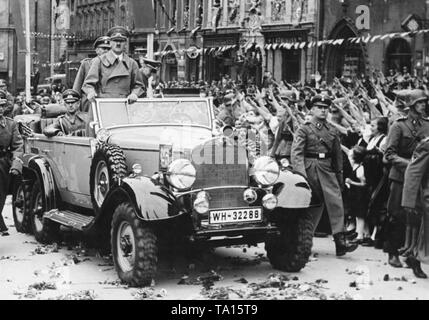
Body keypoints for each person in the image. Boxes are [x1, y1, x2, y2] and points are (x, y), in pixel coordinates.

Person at [291, 94, 358, 256]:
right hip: (310, 168)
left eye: (325, 108)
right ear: (312, 109)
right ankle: (303, 240)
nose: (322, 111)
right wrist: (301, 176)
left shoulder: (332, 130)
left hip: (327, 169)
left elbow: (337, 156)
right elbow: (297, 154)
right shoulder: (304, 128)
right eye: (319, 108)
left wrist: (339, 177)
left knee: (336, 203)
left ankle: (340, 242)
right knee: (311, 205)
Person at [384, 89, 429, 268]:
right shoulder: (398, 125)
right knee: (396, 214)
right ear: (411, 105)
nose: (423, 105)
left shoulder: (427, 125)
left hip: (422, 178)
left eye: (425, 102)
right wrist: (411, 165)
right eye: (419, 102)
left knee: (418, 216)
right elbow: (389, 154)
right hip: (400, 177)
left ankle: (412, 254)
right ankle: (392, 251)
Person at [82, 26, 143, 103]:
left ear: (125, 43)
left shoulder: (132, 63)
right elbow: (88, 84)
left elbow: (139, 85)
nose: (118, 44)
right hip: (103, 105)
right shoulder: (99, 61)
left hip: (124, 105)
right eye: (115, 40)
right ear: (110, 42)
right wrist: (91, 92)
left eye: (121, 41)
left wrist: (134, 94)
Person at [402, 137, 429, 278]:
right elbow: (413, 171)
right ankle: (415, 257)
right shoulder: (427, 145)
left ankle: (415, 257)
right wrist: (409, 201)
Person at [0, 90, 23, 236]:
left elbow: (18, 146)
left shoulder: (11, 124)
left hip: (2, 165)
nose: (0, 109)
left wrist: (16, 165)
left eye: (2, 106)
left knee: (0, 198)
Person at [73, 36, 111, 112]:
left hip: (107, 103)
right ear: (97, 50)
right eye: (103, 49)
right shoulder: (87, 64)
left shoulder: (115, 66)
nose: (106, 51)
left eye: (109, 49)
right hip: (90, 103)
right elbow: (77, 87)